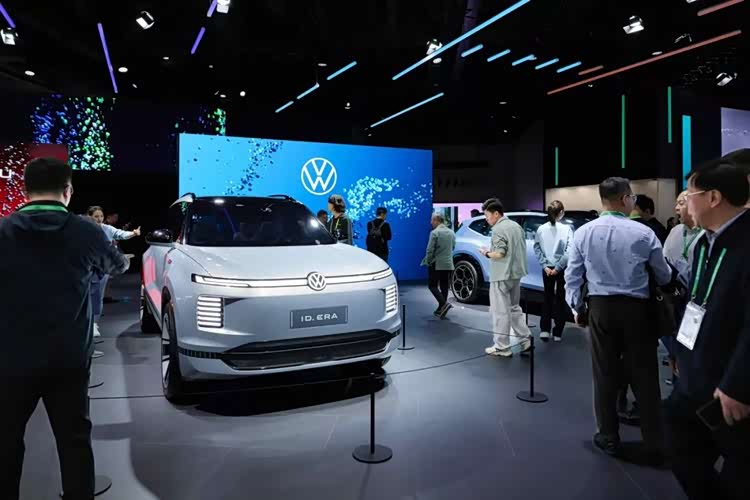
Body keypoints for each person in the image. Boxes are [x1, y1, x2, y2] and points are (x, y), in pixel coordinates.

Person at [0, 158, 129, 500]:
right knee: (74, 442)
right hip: (68, 358)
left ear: (24, 190)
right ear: (68, 190)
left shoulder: (3, 229)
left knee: (6, 441)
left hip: (10, 358)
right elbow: (118, 265)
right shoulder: (86, 230)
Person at [565, 177, 671, 463]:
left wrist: (577, 308)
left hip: (600, 308)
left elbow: (572, 276)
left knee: (604, 373)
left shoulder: (584, 232)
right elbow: (663, 275)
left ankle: (608, 436)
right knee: (645, 375)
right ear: (625, 198)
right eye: (632, 197)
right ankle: (654, 441)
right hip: (637, 310)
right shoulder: (644, 232)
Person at [666, 160, 750, 500]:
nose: (685, 203)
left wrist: (738, 384)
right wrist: (680, 350)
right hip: (695, 370)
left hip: (729, 384)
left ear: (713, 197)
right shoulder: (704, 242)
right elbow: (695, 301)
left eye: (690, 195)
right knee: (680, 448)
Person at [479, 198, 532, 357]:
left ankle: (502, 347)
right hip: (516, 274)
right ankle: (525, 340)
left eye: (487, 216)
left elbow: (500, 253)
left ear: (496, 214)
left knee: (500, 312)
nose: (487, 219)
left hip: (501, 274)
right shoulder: (516, 226)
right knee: (514, 308)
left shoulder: (498, 229)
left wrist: (486, 253)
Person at [86, 206, 140, 338]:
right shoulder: (83, 229)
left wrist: (133, 233)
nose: (99, 219)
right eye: (96, 216)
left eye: (101, 216)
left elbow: (121, 234)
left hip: (102, 268)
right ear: (89, 217)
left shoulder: (107, 229)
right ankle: (85, 323)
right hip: (86, 267)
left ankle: (94, 323)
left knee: (97, 296)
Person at [533, 200, 573, 342]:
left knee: (547, 297)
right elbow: (569, 250)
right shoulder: (567, 229)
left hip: (547, 269)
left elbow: (536, 247)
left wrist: (545, 266)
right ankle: (558, 332)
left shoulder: (541, 229)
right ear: (561, 212)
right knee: (560, 299)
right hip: (561, 269)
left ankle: (545, 330)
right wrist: (558, 268)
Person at [663, 191, 704, 287]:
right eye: (676, 204)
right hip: (673, 288)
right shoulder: (675, 230)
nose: (676, 208)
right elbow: (664, 258)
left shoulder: (707, 234)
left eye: (681, 203)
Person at [420, 213, 455, 318]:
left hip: (436, 263)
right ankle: (441, 309)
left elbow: (430, 250)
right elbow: (453, 247)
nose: (431, 222)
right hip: (448, 263)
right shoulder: (451, 232)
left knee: (432, 286)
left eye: (432, 220)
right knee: (444, 285)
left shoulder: (434, 233)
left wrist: (428, 261)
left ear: (436, 220)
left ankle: (444, 304)